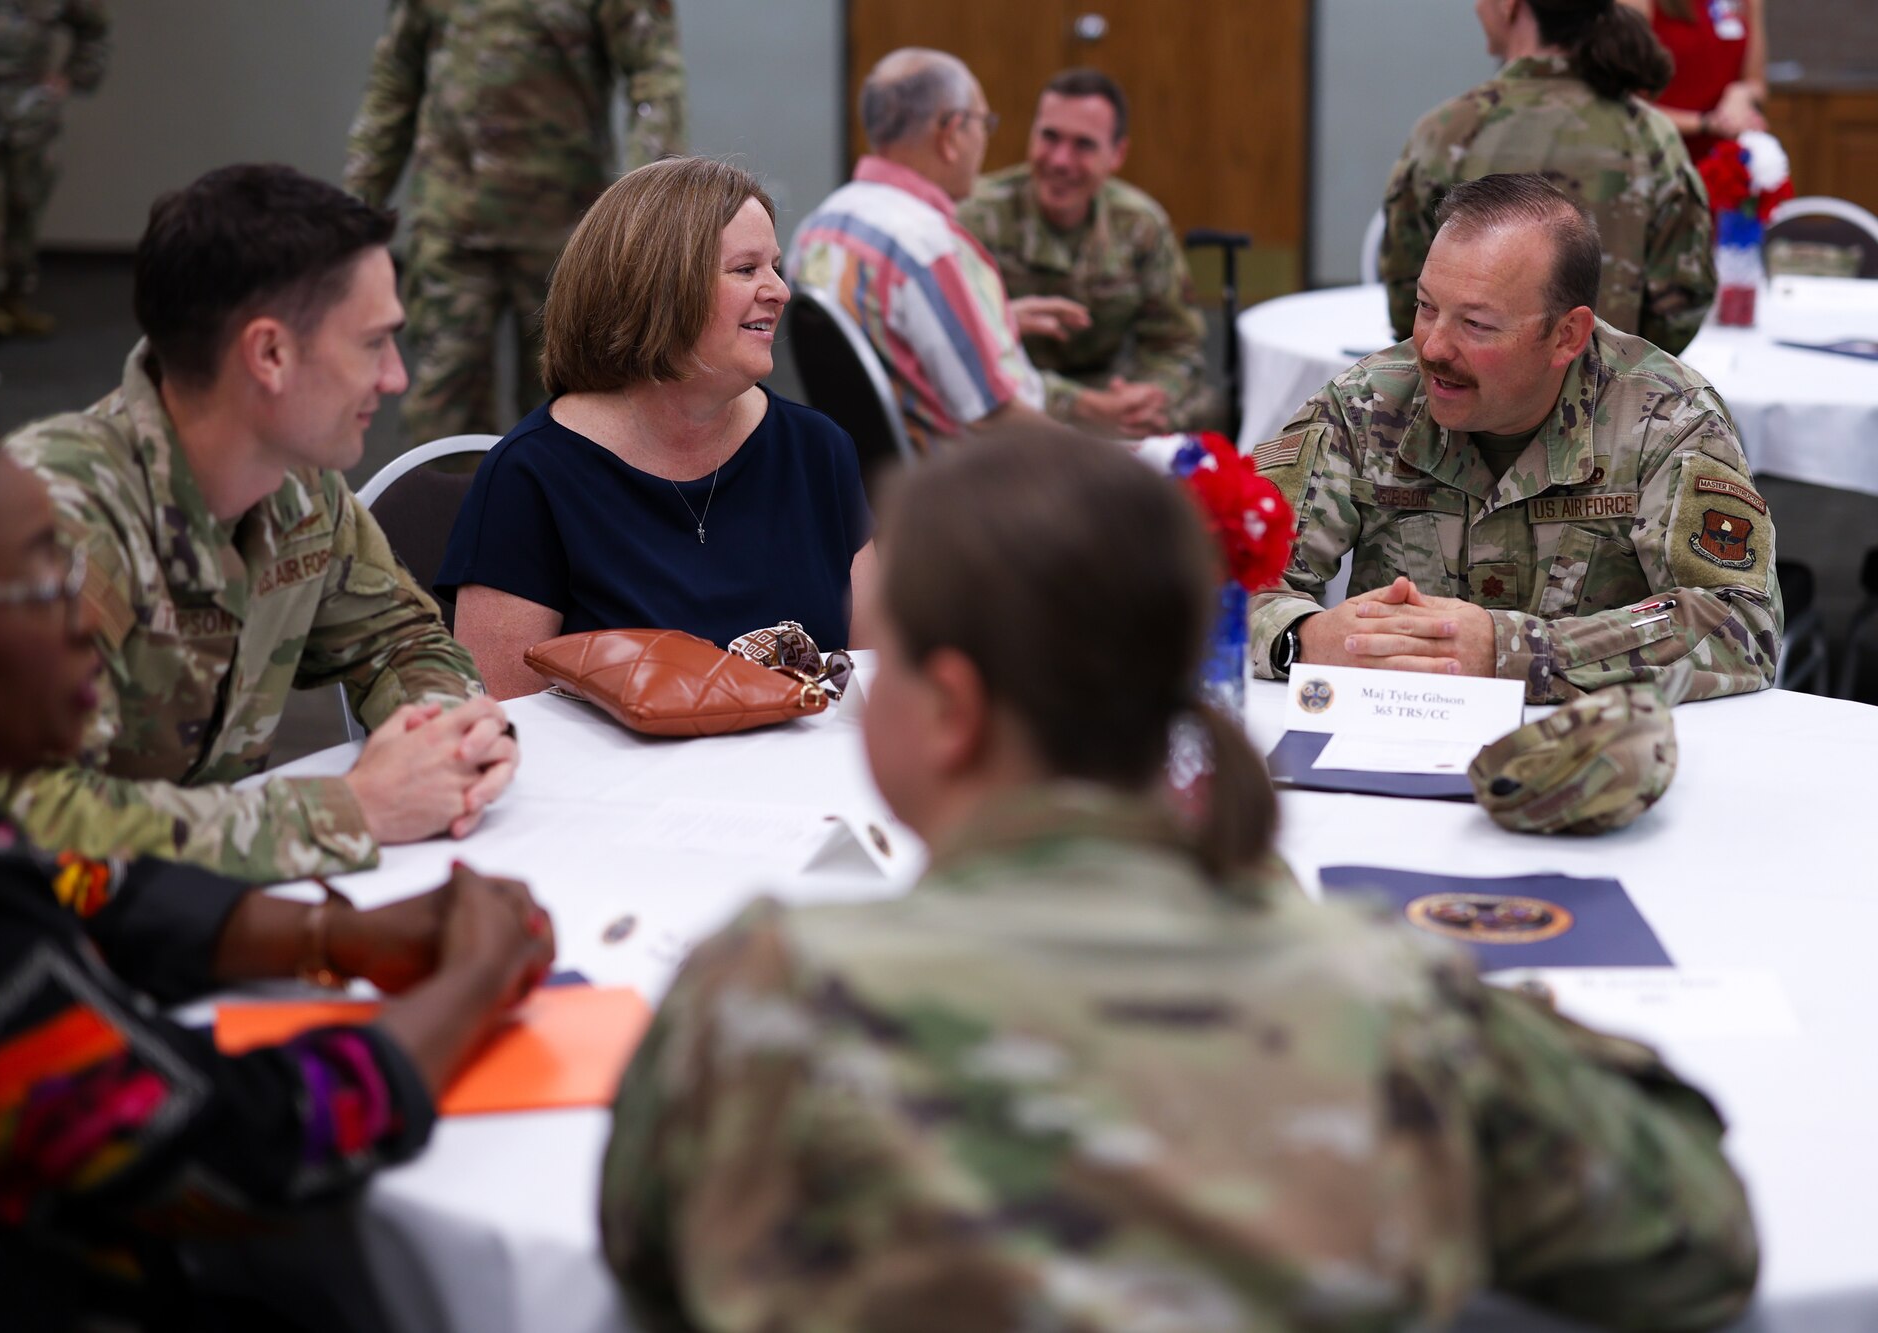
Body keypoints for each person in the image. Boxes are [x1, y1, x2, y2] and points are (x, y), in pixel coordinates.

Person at [598, 427, 1760, 1332]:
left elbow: (641, 1260)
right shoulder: (1387, 1009)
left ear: (949, 709)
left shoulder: (763, 1002)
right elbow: (1696, 1241)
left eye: (877, 661)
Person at [0, 297, 555, 1330]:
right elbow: (232, 1151)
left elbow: (84, 884)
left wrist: (332, 935)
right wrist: (471, 982)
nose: (84, 626)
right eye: (33, 584)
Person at [0, 164, 517, 884]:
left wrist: (446, 734)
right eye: (373, 343)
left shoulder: (296, 480)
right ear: (269, 354)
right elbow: (17, 817)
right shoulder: (56, 519)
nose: (396, 378)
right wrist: (349, 810)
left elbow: (399, 638)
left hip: (204, 908)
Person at [1253, 174, 1782, 704]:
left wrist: (1517, 653)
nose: (1432, 348)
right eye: (1426, 306)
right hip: (1392, 733)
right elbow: (1225, 573)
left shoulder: (1665, 418)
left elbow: (1739, 624)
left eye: (1476, 324)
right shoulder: (1366, 405)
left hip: (1595, 743)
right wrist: (1302, 638)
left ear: (1566, 335)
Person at [439, 156, 874, 700]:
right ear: (660, 289)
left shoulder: (817, 451)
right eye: (746, 270)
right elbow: (506, 720)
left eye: (775, 266)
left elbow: (875, 680)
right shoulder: (531, 477)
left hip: (805, 757)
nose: (780, 291)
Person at [344, 0, 687, 443]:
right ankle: (451, 492)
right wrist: (353, 211)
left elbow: (654, 76)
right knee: (444, 406)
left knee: (569, 404)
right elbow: (396, 78)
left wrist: (648, 210)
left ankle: (554, 490)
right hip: (452, 225)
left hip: (565, 235)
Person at [793, 48, 1169, 450]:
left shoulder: (818, 227)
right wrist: (1112, 458)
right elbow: (997, 418)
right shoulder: (930, 251)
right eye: (983, 124)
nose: (984, 140)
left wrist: (992, 319)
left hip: (862, 473)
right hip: (964, 477)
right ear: (952, 134)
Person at [1378, 0, 1715, 356]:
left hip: (1466, 387)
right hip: (1608, 387)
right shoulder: (1648, 135)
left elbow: (1408, 297)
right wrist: (1615, 369)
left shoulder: (1449, 131)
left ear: (1509, 6)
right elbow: (1680, 305)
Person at [960, 68, 1219, 433]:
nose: (1060, 161)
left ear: (1117, 154)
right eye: (1049, 137)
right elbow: (960, 348)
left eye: (1083, 145)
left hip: (1109, 395)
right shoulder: (976, 217)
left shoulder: (1139, 224)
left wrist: (1145, 397)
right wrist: (1077, 406)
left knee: (1204, 406)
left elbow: (1177, 345)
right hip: (1013, 396)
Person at [0, 0, 110, 341]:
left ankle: (15, 294)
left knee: (26, 204)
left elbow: (94, 26)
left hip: (31, 115)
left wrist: (71, 77)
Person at [1624, 0, 1769, 163]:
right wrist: (1704, 123)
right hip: (1660, 156)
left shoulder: (1748, 3)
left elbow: (1756, 82)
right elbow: (1623, 103)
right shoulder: (1637, 4)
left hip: (1724, 156)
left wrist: (1741, 93)